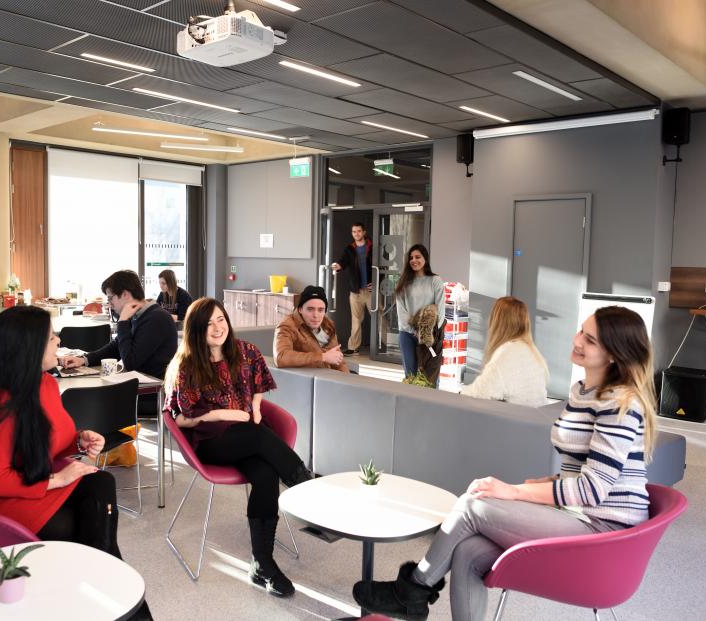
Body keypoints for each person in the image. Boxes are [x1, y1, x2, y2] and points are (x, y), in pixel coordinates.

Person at [352, 306, 658, 621]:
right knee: (468, 551)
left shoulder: (619, 402)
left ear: (613, 355)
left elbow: (593, 489)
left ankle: (412, 590)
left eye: (590, 340)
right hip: (579, 516)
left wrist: (513, 492)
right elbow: (581, 471)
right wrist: (540, 484)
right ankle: (412, 596)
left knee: (473, 504)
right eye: (581, 330)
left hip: (604, 535)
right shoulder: (583, 392)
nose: (577, 340)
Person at [0, 305, 152, 618]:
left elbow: (49, 438)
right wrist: (58, 480)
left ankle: (99, 588)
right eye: (50, 338)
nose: (59, 341)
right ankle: (106, 591)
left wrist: (79, 439)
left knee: (100, 483)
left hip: (30, 481)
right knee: (80, 526)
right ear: (29, 348)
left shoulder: (46, 384)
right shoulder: (0, 402)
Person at [164, 297, 313, 597]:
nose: (217, 327)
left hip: (247, 434)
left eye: (221, 319)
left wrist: (256, 408)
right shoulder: (188, 366)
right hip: (211, 442)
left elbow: (258, 384)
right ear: (196, 330)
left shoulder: (245, 352)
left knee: (265, 474)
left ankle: (262, 564)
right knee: (258, 438)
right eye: (208, 324)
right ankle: (306, 489)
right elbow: (178, 419)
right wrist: (222, 414)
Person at [62, 270, 177, 379]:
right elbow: (116, 347)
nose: (110, 304)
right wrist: (84, 360)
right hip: (138, 386)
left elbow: (130, 362)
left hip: (154, 392)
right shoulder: (137, 314)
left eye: (110, 298)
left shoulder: (156, 318)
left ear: (125, 294)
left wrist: (122, 322)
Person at [461, 296, 549, 407]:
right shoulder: (530, 351)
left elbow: (480, 392)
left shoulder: (507, 352)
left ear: (497, 321)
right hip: (535, 418)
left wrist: (459, 393)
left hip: (517, 420)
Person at [395, 244, 444, 379]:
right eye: (411, 257)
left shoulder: (435, 281)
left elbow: (440, 309)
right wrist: (414, 330)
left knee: (430, 376)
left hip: (429, 336)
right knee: (410, 374)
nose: (414, 260)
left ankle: (430, 400)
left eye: (418, 257)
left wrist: (429, 333)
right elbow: (401, 310)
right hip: (407, 334)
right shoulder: (403, 282)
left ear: (425, 259)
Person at [274, 285, 349, 372]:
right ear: (300, 309)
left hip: (329, 377)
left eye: (320, 310)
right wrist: (323, 357)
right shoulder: (287, 326)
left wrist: (347, 380)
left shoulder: (328, 325)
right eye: (310, 309)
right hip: (308, 380)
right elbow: (281, 357)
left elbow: (338, 361)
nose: (316, 315)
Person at [330, 222, 373, 355]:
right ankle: (353, 347)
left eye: (359, 231)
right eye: (354, 232)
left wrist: (377, 282)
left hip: (371, 291)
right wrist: (338, 266)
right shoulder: (350, 249)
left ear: (364, 232)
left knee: (379, 318)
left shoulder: (372, 247)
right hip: (355, 291)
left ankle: (390, 346)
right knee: (356, 320)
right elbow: (343, 261)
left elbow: (382, 267)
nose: (356, 234)